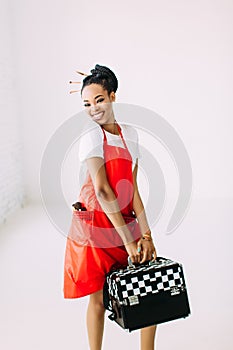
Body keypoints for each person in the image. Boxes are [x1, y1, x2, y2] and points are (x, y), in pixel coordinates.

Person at [64, 64, 158, 350]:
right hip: (96, 226)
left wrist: (146, 236)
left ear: (113, 96)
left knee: (148, 285)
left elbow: (133, 189)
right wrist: (130, 239)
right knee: (98, 298)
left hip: (124, 221)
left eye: (99, 100)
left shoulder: (131, 134)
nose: (93, 108)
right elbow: (103, 190)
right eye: (87, 104)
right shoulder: (91, 135)